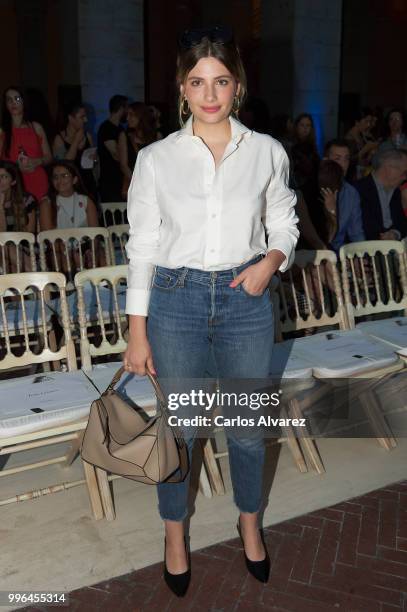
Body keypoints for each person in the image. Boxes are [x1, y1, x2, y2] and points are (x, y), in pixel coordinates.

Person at [123, 25, 298, 597]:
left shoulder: (267, 151)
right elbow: (143, 248)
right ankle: (175, 534)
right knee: (182, 431)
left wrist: (271, 262)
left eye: (220, 81)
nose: (210, 93)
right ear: (182, 88)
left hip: (247, 300)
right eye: (197, 82)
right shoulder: (156, 159)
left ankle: (249, 522)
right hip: (176, 302)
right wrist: (137, 330)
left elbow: (285, 223)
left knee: (247, 430)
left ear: (237, 85)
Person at [0, 86, 52, 203]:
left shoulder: (36, 127)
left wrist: (37, 161)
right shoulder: (2, 131)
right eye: (9, 100)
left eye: (17, 99)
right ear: (6, 105)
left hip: (37, 180)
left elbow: (49, 157)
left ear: (24, 101)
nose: (13, 103)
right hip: (12, 184)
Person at [355, 148, 407, 240]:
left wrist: (395, 233)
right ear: (389, 169)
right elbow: (361, 228)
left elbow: (402, 223)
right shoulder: (359, 190)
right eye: (404, 173)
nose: (405, 177)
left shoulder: (396, 191)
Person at [324, 139, 365, 253]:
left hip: (339, 255)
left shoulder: (351, 193)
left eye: (346, 159)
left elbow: (356, 234)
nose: (342, 164)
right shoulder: (315, 188)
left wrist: (360, 256)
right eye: (337, 159)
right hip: (315, 255)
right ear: (326, 161)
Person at [52, 102, 98, 201]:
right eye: (82, 117)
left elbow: (94, 166)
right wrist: (76, 141)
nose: (86, 120)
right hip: (70, 188)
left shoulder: (88, 136)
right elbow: (65, 164)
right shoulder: (59, 139)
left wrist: (94, 159)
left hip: (89, 185)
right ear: (71, 118)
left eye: (86, 116)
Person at [118, 102, 156, 200]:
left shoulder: (156, 136)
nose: (127, 119)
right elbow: (123, 165)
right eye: (127, 115)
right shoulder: (125, 136)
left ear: (141, 116)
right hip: (134, 187)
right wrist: (139, 183)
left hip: (153, 186)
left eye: (131, 115)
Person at [97, 94, 128, 202]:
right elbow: (116, 155)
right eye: (126, 108)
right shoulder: (106, 128)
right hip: (110, 182)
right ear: (121, 108)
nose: (127, 113)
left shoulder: (120, 128)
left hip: (118, 181)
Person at [345, 109, 379, 180]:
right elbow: (348, 160)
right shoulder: (349, 137)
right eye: (366, 121)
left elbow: (364, 161)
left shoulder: (360, 134)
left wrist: (371, 153)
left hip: (361, 173)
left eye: (370, 122)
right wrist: (365, 149)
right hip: (351, 176)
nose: (369, 125)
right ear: (357, 122)